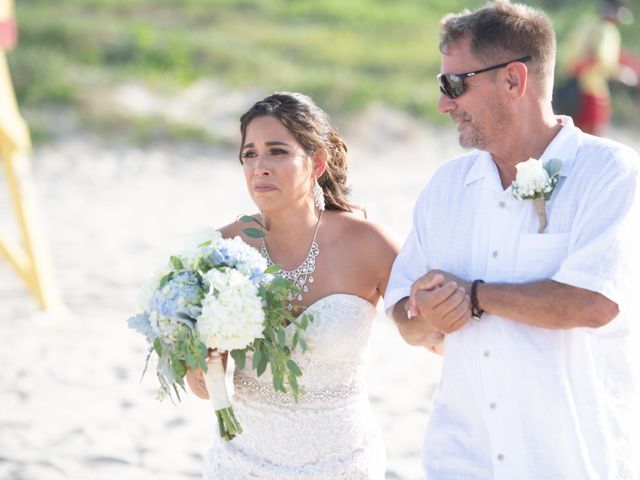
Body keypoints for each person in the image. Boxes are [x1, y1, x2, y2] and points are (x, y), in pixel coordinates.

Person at [385, 1, 640, 479]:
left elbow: (595, 303)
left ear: (513, 80)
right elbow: (404, 313)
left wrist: (474, 296)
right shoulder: (445, 187)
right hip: (461, 460)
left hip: (572, 462)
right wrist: (427, 313)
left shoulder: (610, 173)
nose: (443, 103)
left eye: (454, 84)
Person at [185, 92, 397, 479]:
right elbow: (205, 384)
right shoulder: (221, 249)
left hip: (343, 461)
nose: (260, 167)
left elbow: (428, 332)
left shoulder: (369, 244)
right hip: (241, 461)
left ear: (316, 162)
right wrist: (198, 360)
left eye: (277, 152)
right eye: (249, 154)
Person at [561, 0, 637, 135]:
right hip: (594, 88)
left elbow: (569, 56)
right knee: (593, 134)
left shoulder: (586, 25)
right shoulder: (607, 31)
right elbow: (605, 62)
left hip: (574, 86)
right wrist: (622, 73)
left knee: (573, 132)